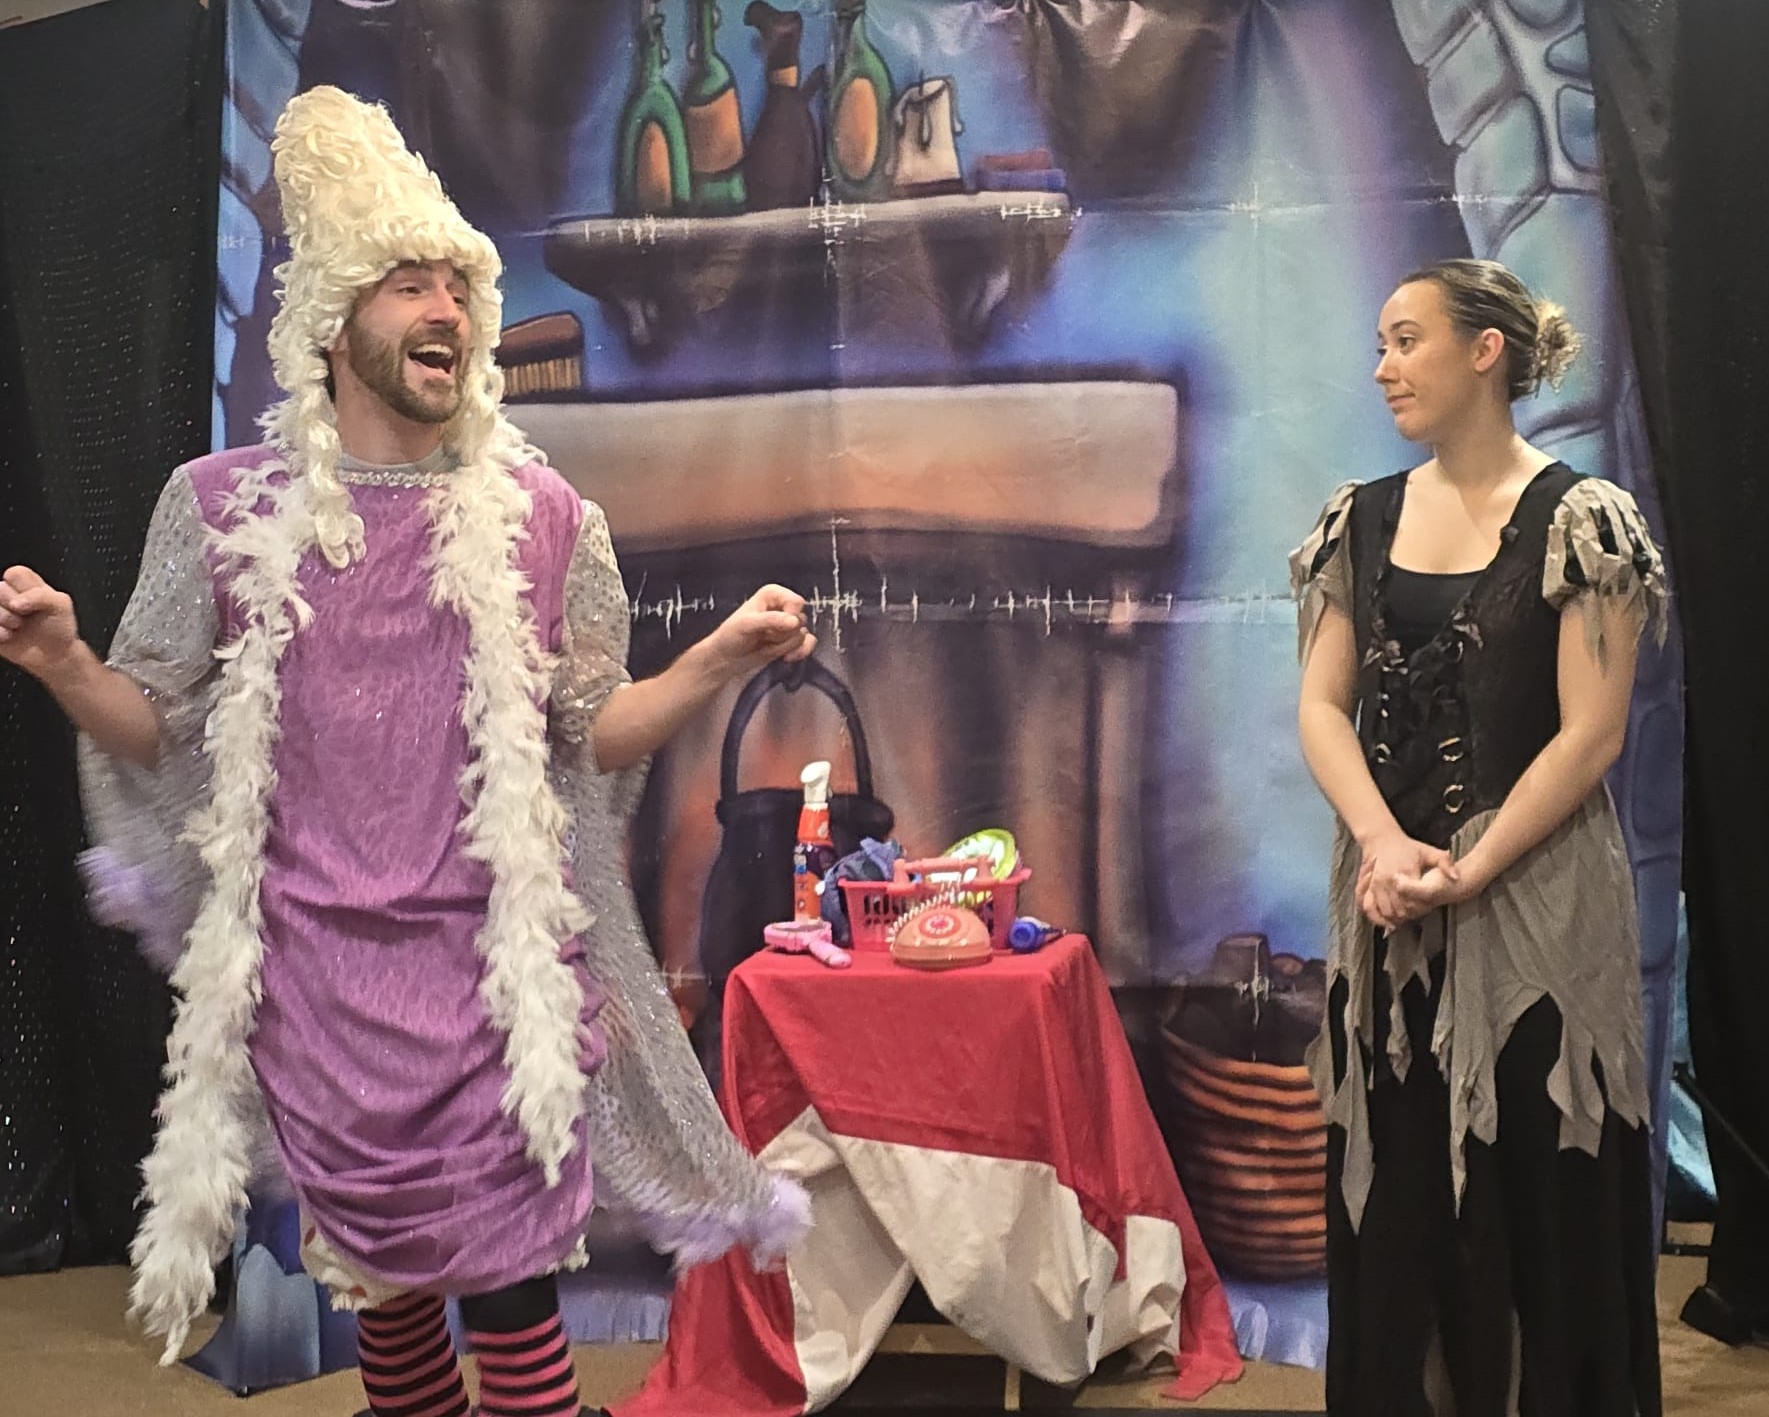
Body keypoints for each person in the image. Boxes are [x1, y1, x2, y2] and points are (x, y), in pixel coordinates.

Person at [0, 87, 813, 1417]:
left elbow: (590, 731)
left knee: (520, 1332)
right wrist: (64, 664)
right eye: (409, 284)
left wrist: (716, 660)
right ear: (334, 322)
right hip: (322, 1007)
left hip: (495, 1004)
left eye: (460, 286)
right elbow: (159, 730)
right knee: (393, 1330)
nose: (449, 310)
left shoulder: (544, 519)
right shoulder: (221, 509)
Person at [1290, 258, 1666, 1415]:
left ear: (1484, 350)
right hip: (1391, 920)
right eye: (1379, 343)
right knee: (1402, 1201)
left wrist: (1469, 868)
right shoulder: (1360, 519)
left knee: (1537, 1195)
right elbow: (1321, 707)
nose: (1382, 366)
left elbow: (1591, 735)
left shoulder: (1581, 520)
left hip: (1536, 913)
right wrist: (1380, 843)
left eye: (1405, 340)